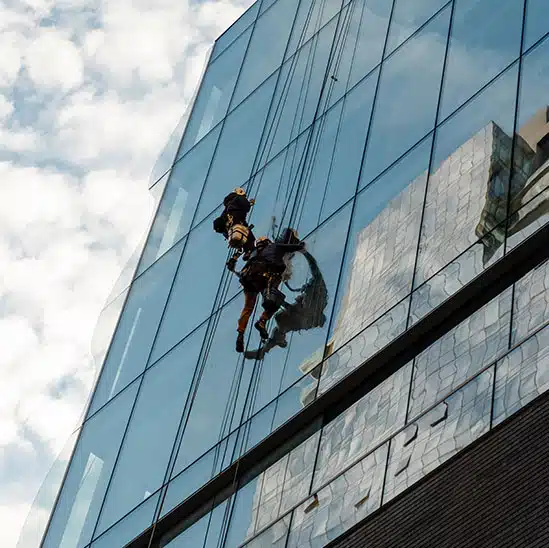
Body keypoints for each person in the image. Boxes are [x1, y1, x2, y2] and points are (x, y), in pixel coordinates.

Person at [235, 230, 305, 353]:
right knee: (275, 300)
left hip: (249, 280)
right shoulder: (275, 246)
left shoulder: (253, 254)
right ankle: (262, 321)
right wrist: (301, 246)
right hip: (264, 278)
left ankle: (240, 333)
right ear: (268, 242)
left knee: (247, 308)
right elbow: (293, 247)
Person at [213, 188, 256, 266]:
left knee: (243, 238)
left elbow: (226, 233)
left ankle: (249, 251)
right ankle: (251, 251)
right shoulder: (237, 198)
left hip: (234, 231)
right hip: (239, 225)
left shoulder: (225, 211)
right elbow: (245, 205)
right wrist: (249, 203)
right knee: (249, 238)